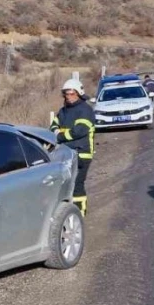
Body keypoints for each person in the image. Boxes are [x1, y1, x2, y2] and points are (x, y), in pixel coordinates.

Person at [50, 78, 96, 215]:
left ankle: (80, 213)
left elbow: (79, 131)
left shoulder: (85, 110)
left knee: (77, 185)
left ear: (79, 93)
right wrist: (57, 131)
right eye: (66, 94)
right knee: (65, 186)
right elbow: (53, 126)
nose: (69, 97)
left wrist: (59, 135)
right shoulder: (63, 111)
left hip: (81, 154)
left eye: (72, 94)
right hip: (65, 153)